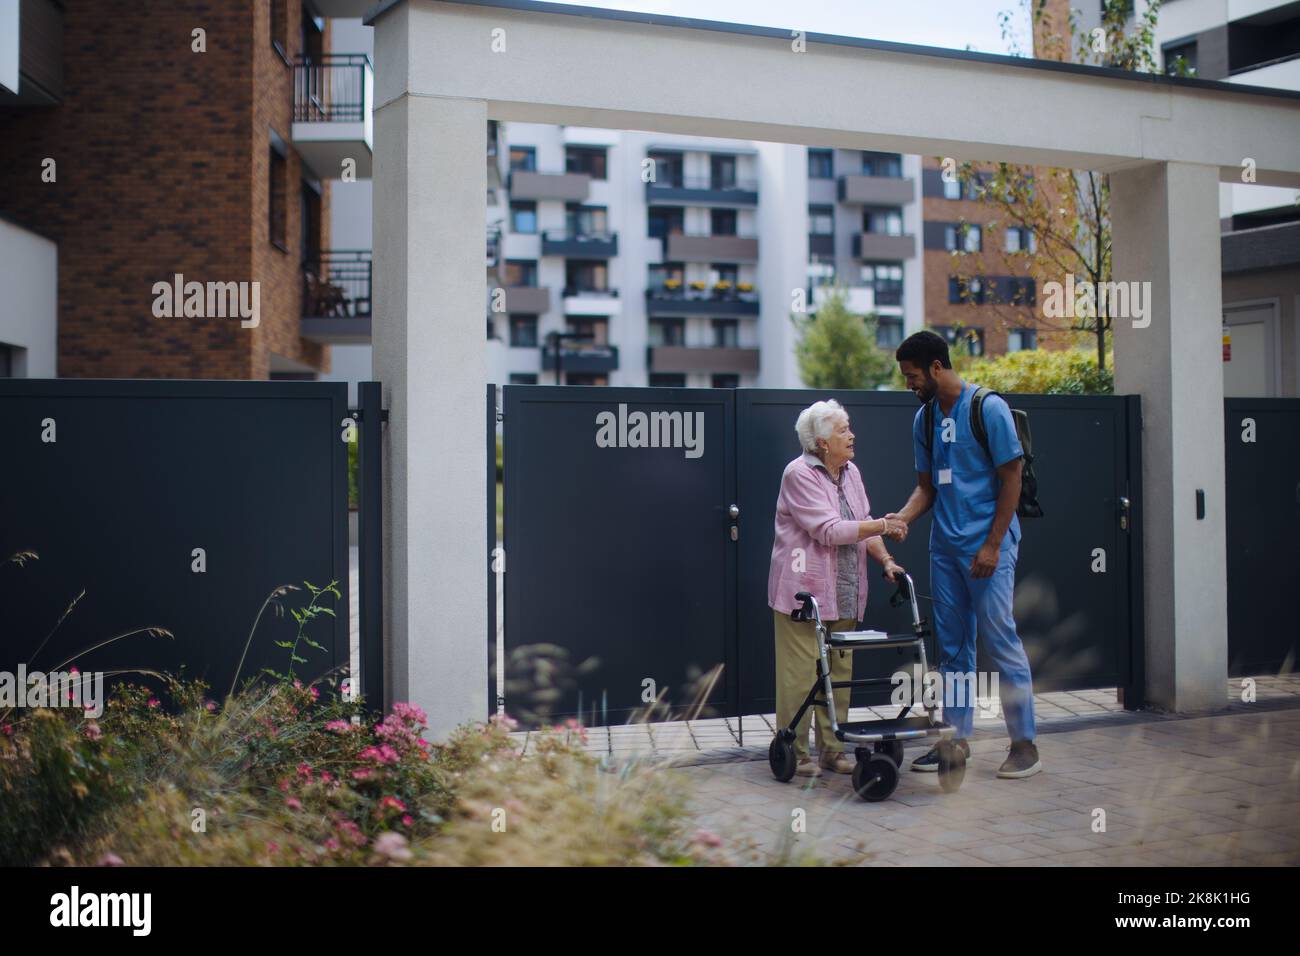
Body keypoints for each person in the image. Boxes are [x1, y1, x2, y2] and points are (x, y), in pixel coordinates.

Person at [886, 331, 1041, 779]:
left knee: (1000, 639)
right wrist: (902, 518)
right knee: (953, 649)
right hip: (946, 549)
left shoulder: (986, 408)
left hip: (988, 547)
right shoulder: (925, 419)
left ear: (937, 367)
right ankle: (955, 740)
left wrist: (993, 544)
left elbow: (1011, 479)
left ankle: (1024, 744)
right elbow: (926, 487)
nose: (909, 384)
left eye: (913, 376)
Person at [767, 399, 906, 776]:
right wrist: (882, 525)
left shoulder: (851, 472)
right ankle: (795, 750)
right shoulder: (798, 474)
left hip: (845, 588)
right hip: (803, 591)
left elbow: (861, 523)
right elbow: (829, 531)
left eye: (849, 428)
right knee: (801, 674)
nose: (852, 435)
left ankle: (832, 749)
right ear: (822, 442)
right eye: (843, 430)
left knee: (839, 672)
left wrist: (886, 560)